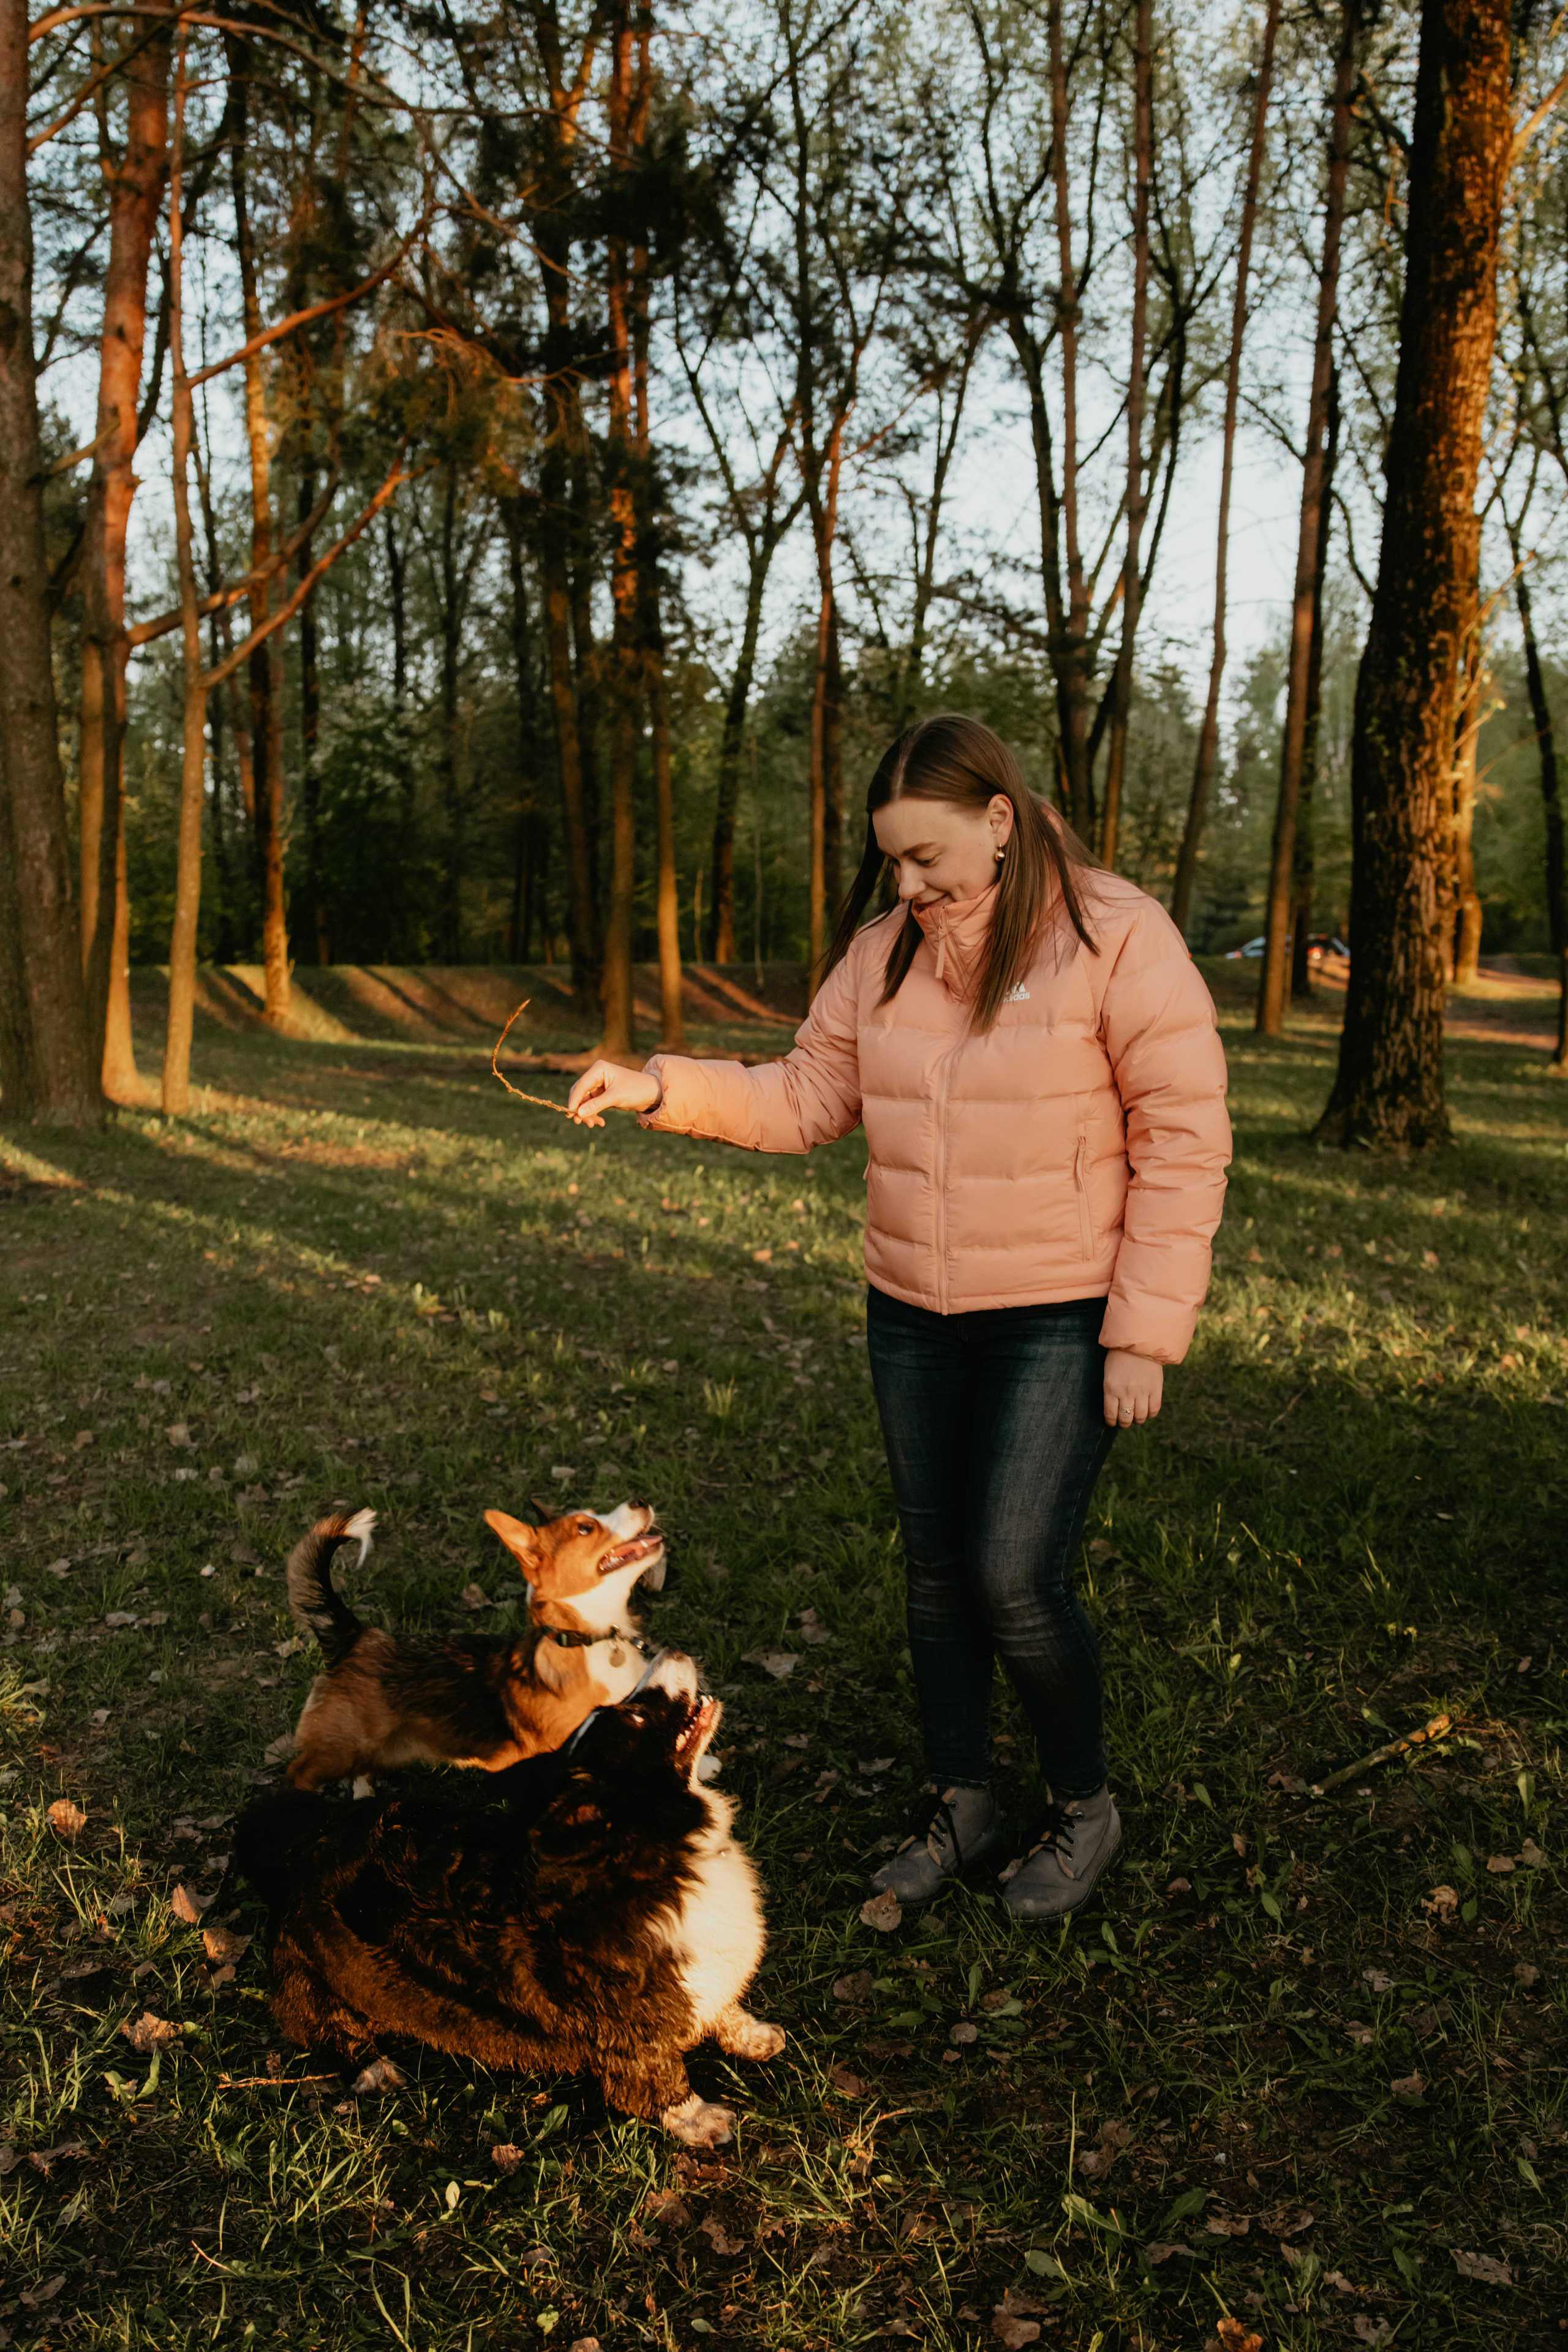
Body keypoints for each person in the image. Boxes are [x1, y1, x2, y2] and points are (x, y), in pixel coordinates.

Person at [567, 714, 1231, 1920]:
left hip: (1060, 1309)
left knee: (1011, 1575)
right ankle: (961, 1798)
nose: (908, 885)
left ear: (996, 820)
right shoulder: (882, 954)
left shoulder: (1116, 936)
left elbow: (1181, 1141)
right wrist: (661, 1084)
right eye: (892, 863)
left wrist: (1142, 1328)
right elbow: (805, 1093)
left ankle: (1081, 1808)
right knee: (935, 1577)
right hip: (912, 1314)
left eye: (926, 858)